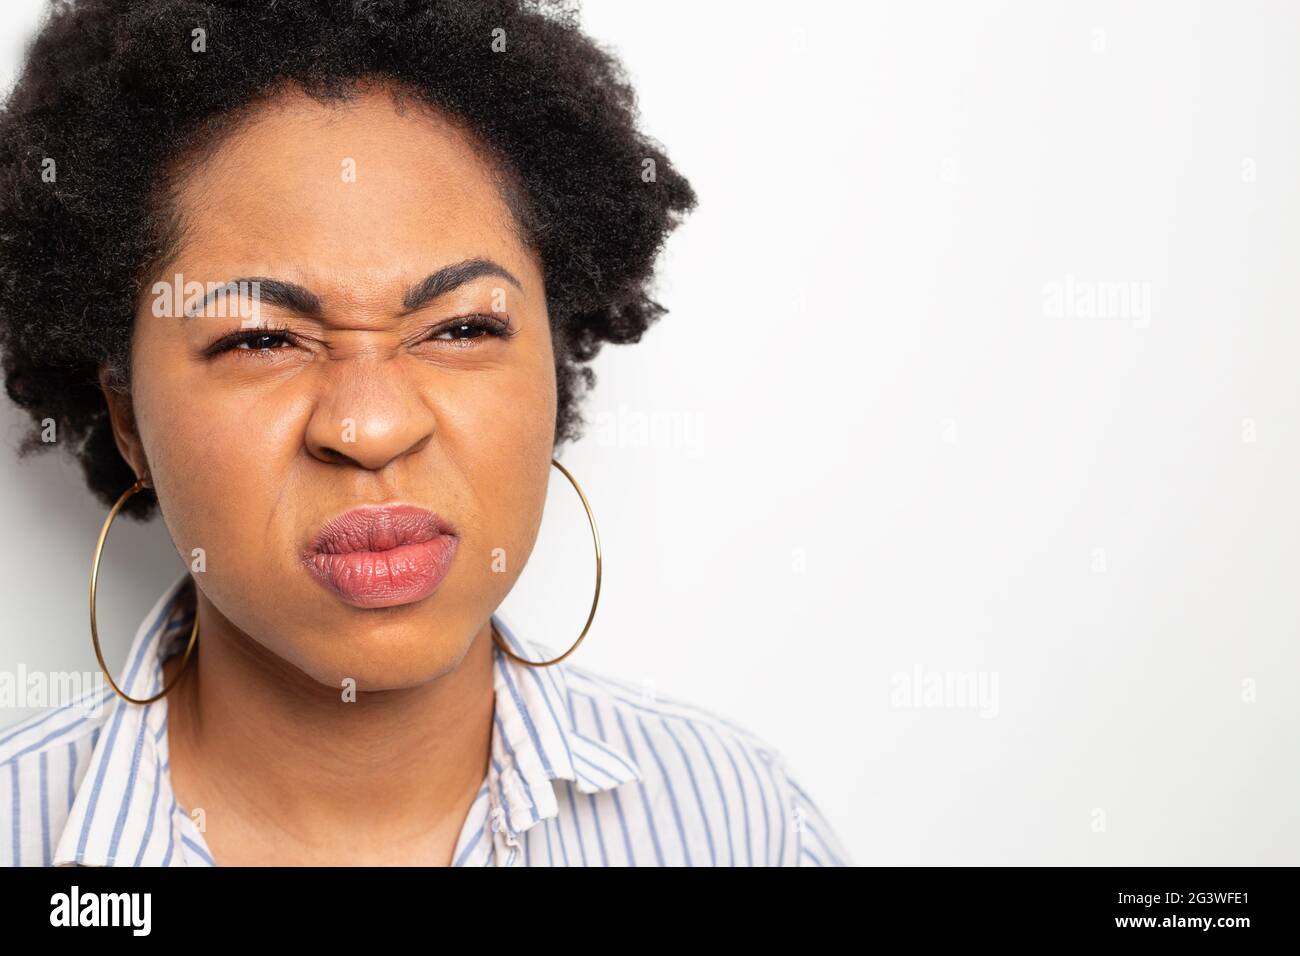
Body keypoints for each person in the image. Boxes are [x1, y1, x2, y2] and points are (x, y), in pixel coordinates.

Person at [0, 0, 850, 867]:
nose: (370, 428)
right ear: (125, 419)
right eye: (261, 338)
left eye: (462, 329)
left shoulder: (740, 824)